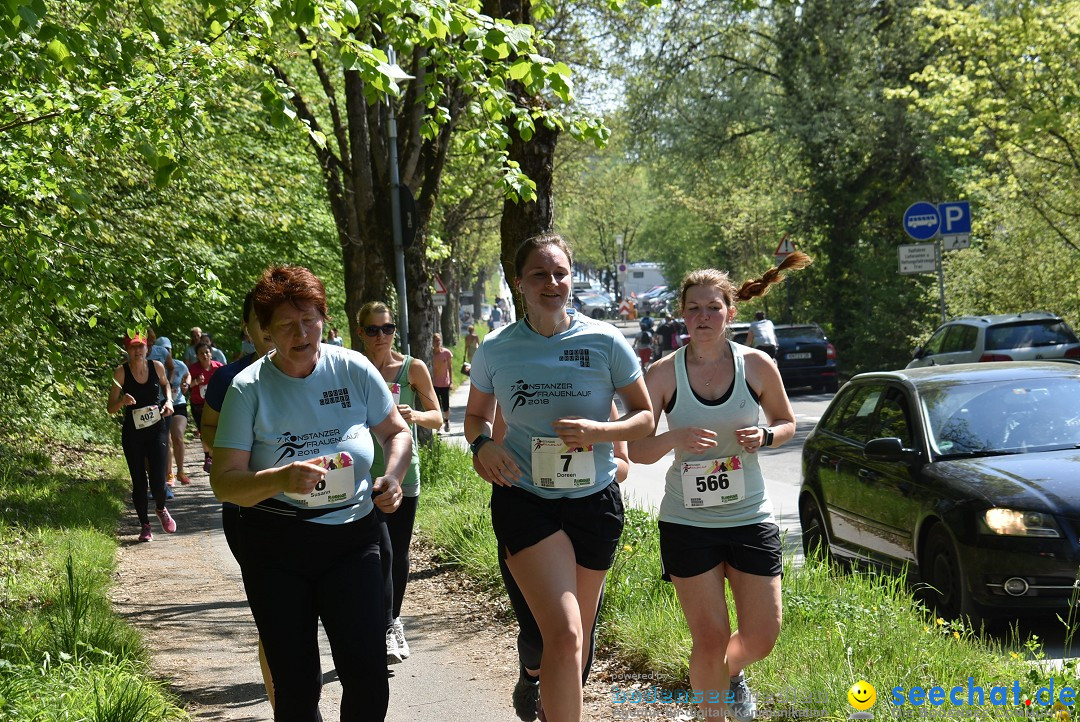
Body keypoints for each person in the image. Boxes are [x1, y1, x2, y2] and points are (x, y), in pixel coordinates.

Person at [464, 234, 653, 722]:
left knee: (578, 641)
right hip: (526, 498)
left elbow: (644, 417)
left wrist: (600, 431)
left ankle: (548, 705)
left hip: (594, 499)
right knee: (565, 632)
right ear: (519, 283)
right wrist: (482, 445)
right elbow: (476, 418)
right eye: (539, 275)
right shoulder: (496, 348)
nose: (552, 283)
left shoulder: (606, 340)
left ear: (572, 277)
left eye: (560, 273)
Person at [210, 265, 411, 721]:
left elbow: (396, 432)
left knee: (367, 676)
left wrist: (393, 478)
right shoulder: (248, 389)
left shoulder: (354, 369)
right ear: (264, 331)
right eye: (286, 324)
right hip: (277, 546)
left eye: (310, 319)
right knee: (297, 686)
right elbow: (224, 481)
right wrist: (279, 479)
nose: (301, 333)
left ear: (324, 318)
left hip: (353, 539)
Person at [627, 252, 811, 722]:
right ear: (682, 314)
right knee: (708, 639)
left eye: (713, 307)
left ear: (731, 312)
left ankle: (723, 675)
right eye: (694, 308)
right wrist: (675, 437)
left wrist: (767, 436)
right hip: (687, 521)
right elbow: (638, 451)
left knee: (762, 637)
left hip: (750, 516)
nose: (703, 317)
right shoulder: (664, 373)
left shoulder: (757, 365)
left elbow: (787, 422)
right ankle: (712, 706)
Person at [357, 301, 443, 665]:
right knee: (372, 553)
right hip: (359, 475)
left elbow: (438, 418)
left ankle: (391, 623)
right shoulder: (352, 369)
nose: (381, 336)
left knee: (397, 552)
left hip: (402, 472)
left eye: (388, 328)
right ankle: (374, 624)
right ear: (360, 332)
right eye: (373, 329)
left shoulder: (412, 369)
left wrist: (414, 414)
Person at [200, 290, 275, 708]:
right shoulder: (229, 379)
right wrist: (234, 446)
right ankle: (288, 705)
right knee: (275, 615)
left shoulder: (322, 373)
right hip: (249, 511)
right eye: (258, 320)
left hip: (320, 513)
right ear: (247, 328)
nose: (267, 328)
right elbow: (208, 428)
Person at [107, 333, 177, 542]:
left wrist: (169, 401)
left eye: (141, 347)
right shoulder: (121, 372)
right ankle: (145, 526)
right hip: (133, 433)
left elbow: (165, 385)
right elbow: (110, 408)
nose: (137, 351)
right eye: (133, 347)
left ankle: (161, 508)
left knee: (158, 479)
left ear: (147, 348)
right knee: (139, 482)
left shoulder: (156, 366)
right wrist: (122, 400)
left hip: (157, 428)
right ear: (127, 350)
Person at [156, 337, 192, 486]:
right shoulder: (154, 367)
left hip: (178, 405)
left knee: (177, 435)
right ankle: (169, 474)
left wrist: (186, 384)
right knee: (167, 440)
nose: (166, 352)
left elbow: (187, 374)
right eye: (163, 350)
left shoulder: (179, 364)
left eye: (168, 349)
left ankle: (181, 471)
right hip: (161, 405)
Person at [188, 342, 224, 472]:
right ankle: (208, 457)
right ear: (197, 355)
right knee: (204, 431)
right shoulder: (193, 369)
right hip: (199, 405)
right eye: (201, 353)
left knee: (218, 429)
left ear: (211, 354)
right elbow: (186, 387)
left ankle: (217, 455)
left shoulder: (219, 367)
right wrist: (196, 381)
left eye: (207, 352)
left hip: (215, 403)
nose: (204, 355)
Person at [431, 332, 453, 432]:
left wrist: (451, 381)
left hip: (445, 383)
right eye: (435, 341)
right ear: (432, 342)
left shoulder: (446, 353)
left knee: (446, 405)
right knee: (437, 405)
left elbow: (450, 368)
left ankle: (447, 422)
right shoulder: (430, 355)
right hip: (434, 384)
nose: (437, 343)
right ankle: (439, 426)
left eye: (439, 340)